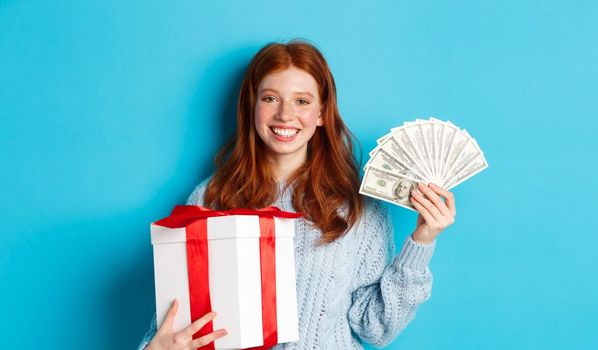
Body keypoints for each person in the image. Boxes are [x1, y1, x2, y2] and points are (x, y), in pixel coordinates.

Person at [139, 39, 456, 350]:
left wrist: (423, 241)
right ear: (252, 107)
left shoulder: (358, 207)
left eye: (301, 101)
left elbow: (376, 330)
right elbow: (174, 323)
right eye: (271, 99)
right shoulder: (211, 196)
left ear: (321, 113)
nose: (285, 115)